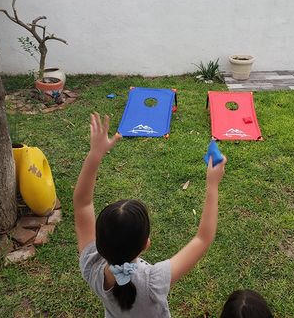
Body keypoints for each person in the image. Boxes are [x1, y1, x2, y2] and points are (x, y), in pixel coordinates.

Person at [73, 113, 226, 317]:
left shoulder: (91, 266)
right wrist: (213, 184)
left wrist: (95, 154)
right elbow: (203, 238)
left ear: (99, 242)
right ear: (146, 243)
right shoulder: (153, 282)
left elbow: (82, 204)